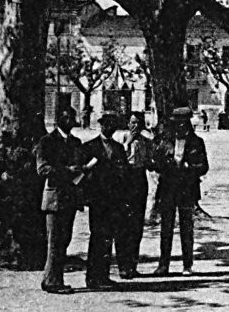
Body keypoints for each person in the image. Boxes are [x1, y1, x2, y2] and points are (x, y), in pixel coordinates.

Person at [153, 107, 209, 276]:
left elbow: (204, 167)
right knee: (166, 228)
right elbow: (156, 163)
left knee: (186, 228)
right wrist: (164, 164)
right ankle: (163, 265)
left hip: (187, 190)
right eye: (177, 124)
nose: (181, 127)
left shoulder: (197, 142)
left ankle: (187, 265)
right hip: (168, 189)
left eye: (184, 124)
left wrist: (189, 168)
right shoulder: (165, 142)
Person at [35, 106, 83, 295]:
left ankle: (53, 278)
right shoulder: (46, 142)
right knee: (54, 241)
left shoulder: (76, 142)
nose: (71, 121)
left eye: (73, 117)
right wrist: (66, 171)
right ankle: (53, 281)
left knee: (65, 240)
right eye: (67, 118)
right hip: (55, 198)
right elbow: (42, 168)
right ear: (59, 120)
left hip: (70, 198)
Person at [81, 112, 129, 289]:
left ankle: (104, 275)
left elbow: (125, 174)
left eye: (112, 126)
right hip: (97, 199)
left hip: (114, 200)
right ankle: (92, 277)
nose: (108, 128)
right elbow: (83, 174)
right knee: (97, 236)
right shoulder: (89, 147)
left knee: (109, 237)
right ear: (101, 126)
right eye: (105, 125)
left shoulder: (118, 148)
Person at [117, 111, 152, 279]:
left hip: (139, 179)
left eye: (138, 122)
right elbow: (118, 160)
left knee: (137, 225)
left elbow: (151, 162)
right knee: (124, 224)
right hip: (125, 180)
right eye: (132, 122)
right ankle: (123, 265)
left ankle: (133, 264)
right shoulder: (121, 139)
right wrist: (127, 144)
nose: (135, 126)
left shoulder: (146, 141)